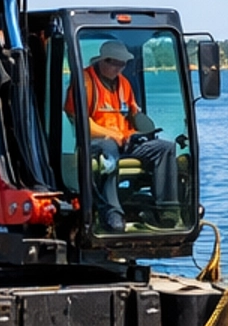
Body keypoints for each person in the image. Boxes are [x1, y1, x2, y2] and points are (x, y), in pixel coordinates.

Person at [71, 39, 180, 233]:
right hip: (96, 142)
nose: (120, 69)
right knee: (109, 152)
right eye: (116, 64)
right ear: (104, 61)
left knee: (165, 148)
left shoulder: (124, 84)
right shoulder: (85, 82)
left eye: (123, 64)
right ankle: (112, 214)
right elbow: (80, 122)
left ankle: (166, 211)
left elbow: (133, 115)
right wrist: (111, 134)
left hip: (124, 140)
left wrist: (139, 134)